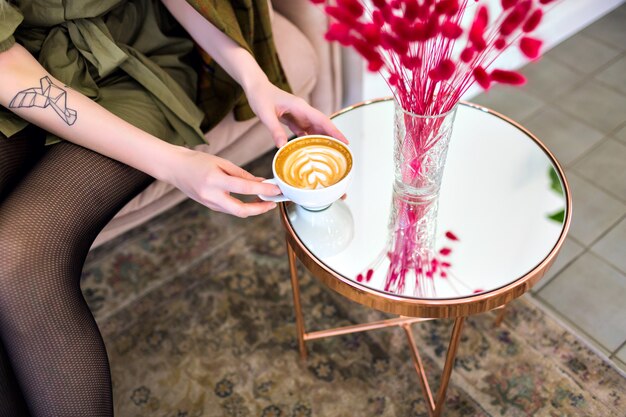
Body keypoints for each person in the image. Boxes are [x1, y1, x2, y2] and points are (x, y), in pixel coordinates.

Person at [0, 0, 346, 415]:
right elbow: (10, 70)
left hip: (134, 58)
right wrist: (175, 164)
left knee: (14, 258)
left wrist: (255, 80)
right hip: (18, 66)